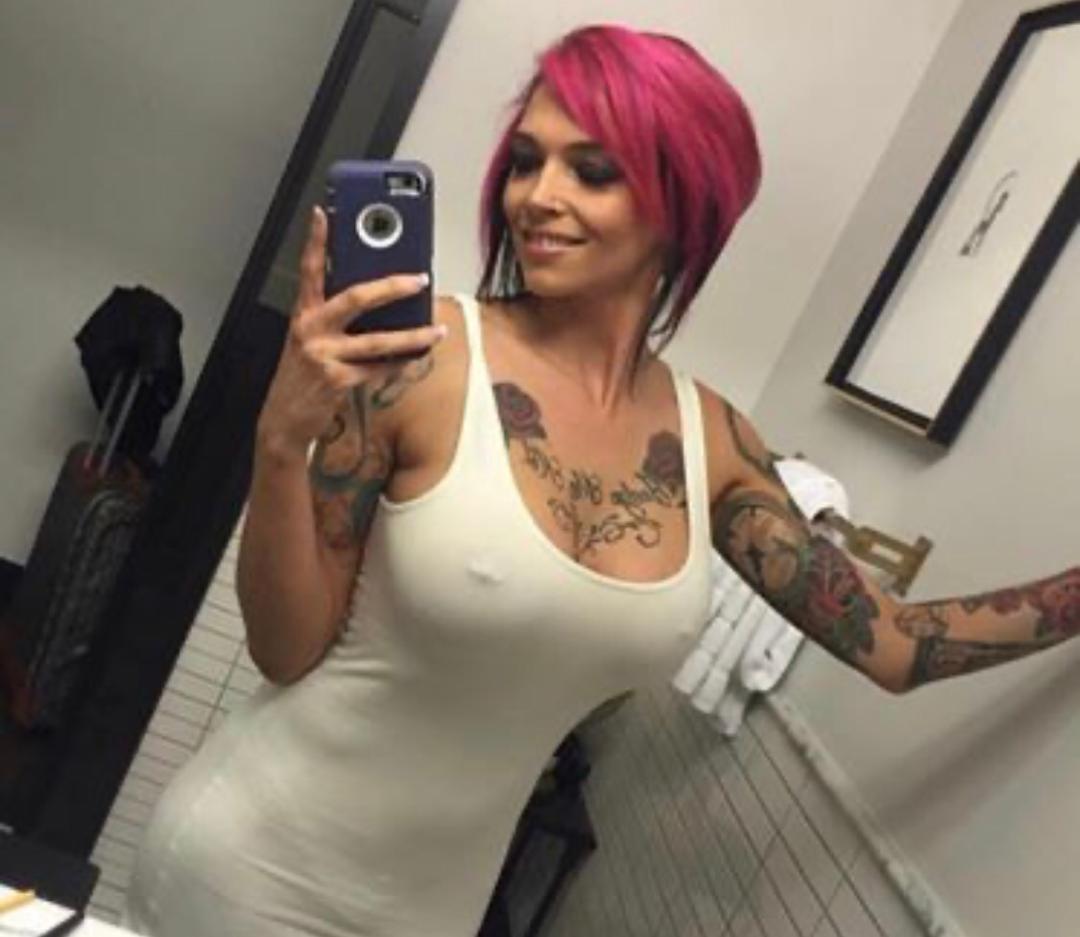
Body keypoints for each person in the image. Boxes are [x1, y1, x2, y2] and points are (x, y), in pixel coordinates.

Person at [124, 23, 1079, 937]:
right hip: (253, 869)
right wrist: (279, 441)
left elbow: (896, 645)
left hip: (430, 911)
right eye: (526, 161)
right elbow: (284, 650)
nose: (537, 196)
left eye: (592, 171)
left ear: (682, 201)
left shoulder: (713, 442)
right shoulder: (424, 360)